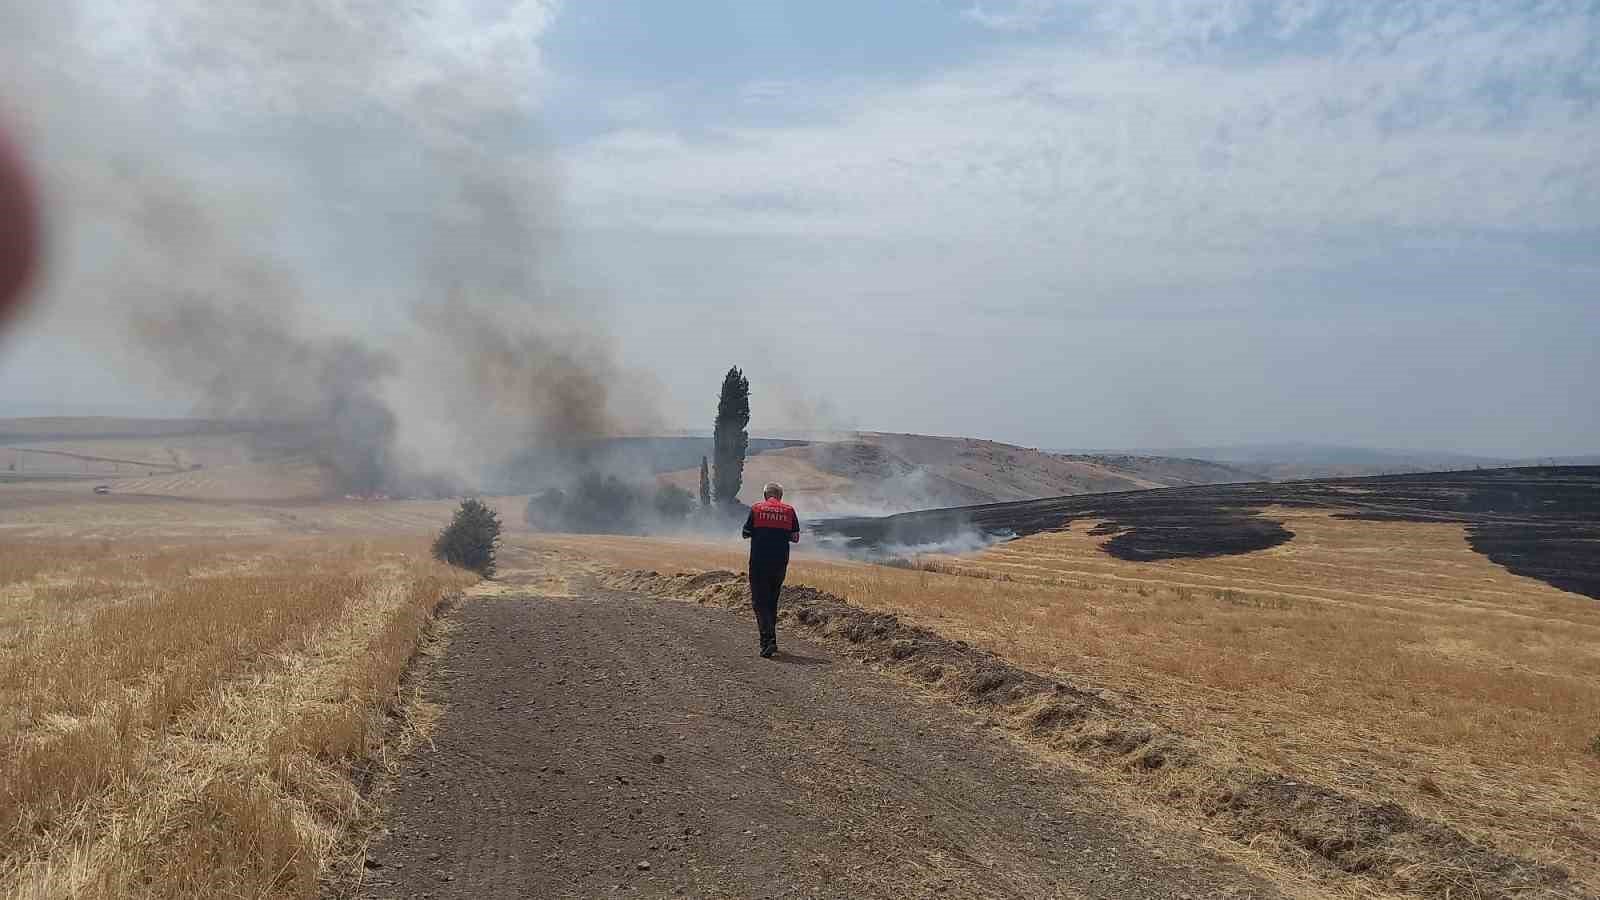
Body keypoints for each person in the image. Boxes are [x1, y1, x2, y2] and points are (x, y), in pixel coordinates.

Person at [741, 481, 799, 658]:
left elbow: (745, 533)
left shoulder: (757, 509)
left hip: (759, 563)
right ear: (780, 496)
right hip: (780, 563)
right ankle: (771, 639)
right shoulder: (789, 511)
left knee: (759, 602)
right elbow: (795, 537)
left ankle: (767, 641)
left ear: (765, 495)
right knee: (773, 600)